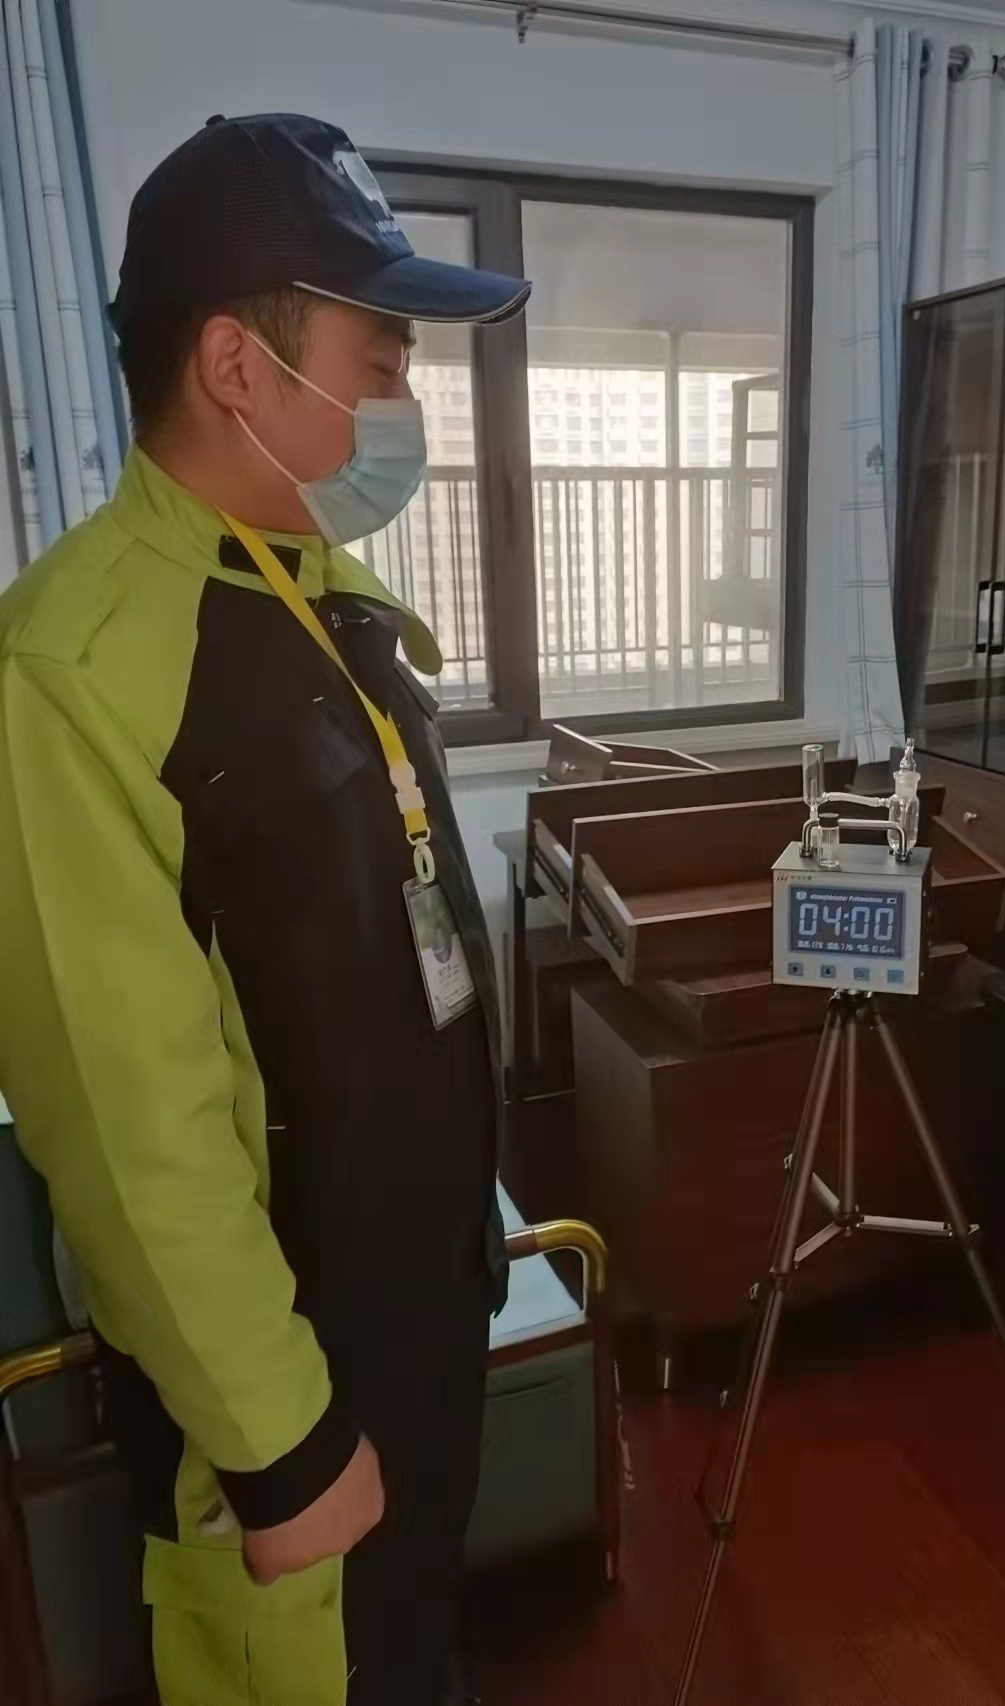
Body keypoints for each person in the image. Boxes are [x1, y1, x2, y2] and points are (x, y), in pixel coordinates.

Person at [0, 112, 530, 1706]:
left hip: (421, 1310)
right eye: (382, 359)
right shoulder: (76, 665)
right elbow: (126, 1124)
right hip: (281, 1384)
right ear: (239, 364)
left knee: (414, 1653)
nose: (403, 401)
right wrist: (283, 1444)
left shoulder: (315, 589)